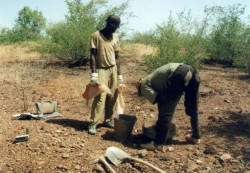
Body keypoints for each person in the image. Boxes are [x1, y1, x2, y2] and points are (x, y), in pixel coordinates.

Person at [137, 63, 201, 148]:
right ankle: (196, 137)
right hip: (193, 72)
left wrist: (161, 121)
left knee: (166, 111)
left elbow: (159, 100)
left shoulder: (143, 85)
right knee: (193, 107)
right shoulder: (154, 78)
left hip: (179, 74)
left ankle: (158, 144)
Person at [88, 15, 123, 135]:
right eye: (114, 26)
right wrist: (93, 74)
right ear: (109, 24)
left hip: (112, 69)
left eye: (117, 27)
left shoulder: (116, 38)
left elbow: (117, 57)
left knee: (112, 96)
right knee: (100, 97)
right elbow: (92, 55)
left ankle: (107, 120)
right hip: (100, 69)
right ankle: (93, 123)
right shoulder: (96, 36)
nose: (115, 29)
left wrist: (119, 75)